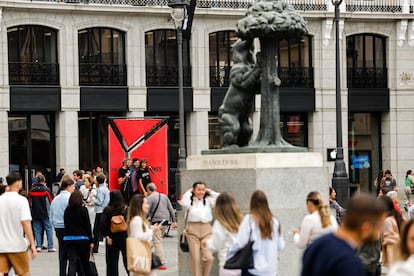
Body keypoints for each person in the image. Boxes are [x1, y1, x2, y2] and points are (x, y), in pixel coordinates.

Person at [301, 193, 387, 276]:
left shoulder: (316, 246)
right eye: (379, 226)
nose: (380, 231)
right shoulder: (351, 264)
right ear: (366, 228)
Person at [228, 190, 285, 276]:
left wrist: (229, 254)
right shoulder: (274, 222)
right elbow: (281, 246)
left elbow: (240, 243)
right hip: (271, 271)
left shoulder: (249, 220)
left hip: (253, 270)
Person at [0, 172, 37, 276]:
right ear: (19, 184)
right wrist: (32, 244)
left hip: (1, 245)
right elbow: (25, 222)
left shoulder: (0, 200)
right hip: (17, 245)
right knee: (23, 272)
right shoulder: (21, 201)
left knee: (2, 272)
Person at [180, 181, 220, 276]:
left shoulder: (208, 201)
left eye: (203, 190)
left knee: (209, 257)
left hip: (207, 230)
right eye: (199, 190)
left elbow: (219, 197)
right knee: (195, 259)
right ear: (194, 190)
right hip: (192, 230)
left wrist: (209, 191)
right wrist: (189, 191)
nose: (201, 192)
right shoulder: (190, 201)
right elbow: (183, 201)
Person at [206, 192, 243, 276]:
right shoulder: (241, 221)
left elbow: (216, 245)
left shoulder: (219, 224)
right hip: (242, 264)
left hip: (227, 263)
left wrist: (207, 243)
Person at [127, 194, 161, 276]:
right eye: (145, 203)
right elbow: (139, 237)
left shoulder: (138, 219)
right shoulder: (137, 220)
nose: (148, 206)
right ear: (139, 205)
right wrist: (151, 230)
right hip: (141, 255)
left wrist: (150, 229)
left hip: (142, 254)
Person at [146, 183, 177, 269]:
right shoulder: (164, 196)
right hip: (165, 222)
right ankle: (155, 258)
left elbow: (146, 212)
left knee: (157, 242)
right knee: (157, 241)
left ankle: (160, 261)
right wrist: (174, 221)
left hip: (156, 222)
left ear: (149, 190)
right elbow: (171, 209)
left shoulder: (150, 198)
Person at [63, 190, 94, 276]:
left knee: (72, 261)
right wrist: (91, 240)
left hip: (69, 239)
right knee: (84, 262)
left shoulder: (67, 210)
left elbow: (66, 225)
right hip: (82, 239)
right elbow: (87, 225)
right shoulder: (83, 210)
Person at [50, 177, 76, 276]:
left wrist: (54, 224)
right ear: (68, 186)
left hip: (58, 227)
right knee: (71, 252)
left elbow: (51, 214)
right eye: (73, 186)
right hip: (67, 227)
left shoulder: (55, 199)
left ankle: (62, 273)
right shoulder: (70, 198)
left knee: (62, 252)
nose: (74, 188)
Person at [101, 190, 128, 276]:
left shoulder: (107, 210)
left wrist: (106, 235)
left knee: (111, 263)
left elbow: (102, 223)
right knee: (128, 261)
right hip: (125, 237)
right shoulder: (125, 209)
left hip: (111, 237)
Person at [28, 175, 55, 252]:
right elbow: (50, 202)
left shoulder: (32, 191)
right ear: (44, 181)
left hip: (35, 213)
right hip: (45, 213)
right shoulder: (46, 190)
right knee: (49, 229)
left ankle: (39, 246)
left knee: (37, 230)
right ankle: (50, 246)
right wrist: (50, 213)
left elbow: (30, 203)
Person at [378, 195, 402, 273]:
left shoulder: (387, 221)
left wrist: (392, 267)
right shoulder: (394, 216)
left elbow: (390, 242)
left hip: (393, 261)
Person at [92, 173, 110, 253]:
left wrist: (93, 198)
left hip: (99, 211)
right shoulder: (106, 189)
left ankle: (95, 247)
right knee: (104, 229)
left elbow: (99, 201)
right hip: (105, 210)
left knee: (96, 231)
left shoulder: (99, 189)